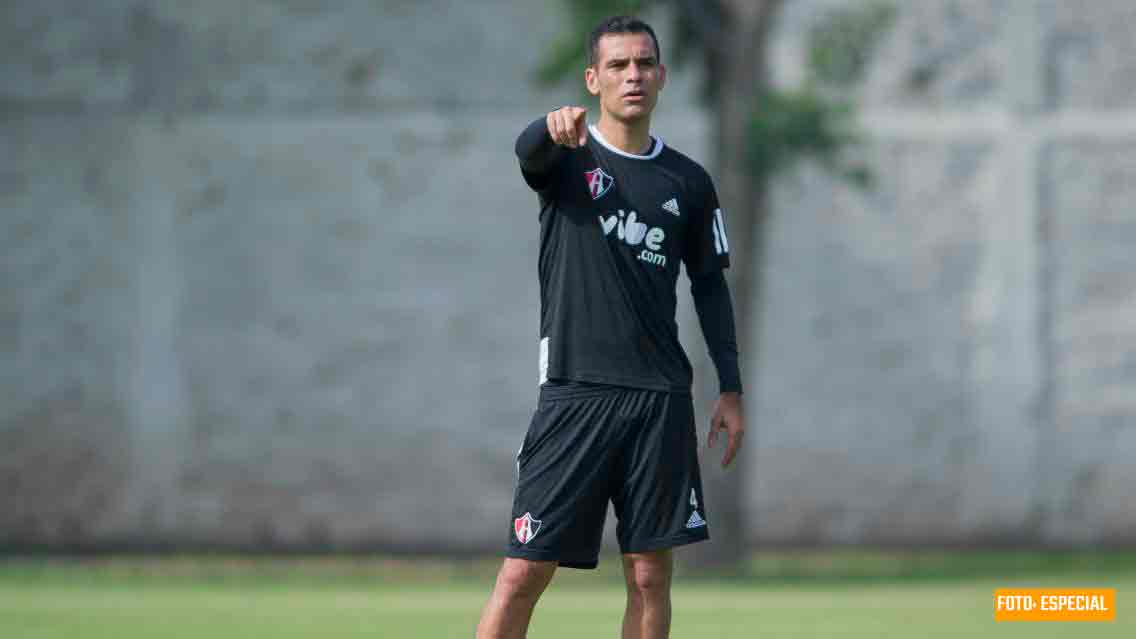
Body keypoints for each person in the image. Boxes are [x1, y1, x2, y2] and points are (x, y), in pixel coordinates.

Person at [475, 15, 745, 639]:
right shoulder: (567, 161)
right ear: (594, 79)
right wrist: (546, 127)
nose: (633, 76)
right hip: (576, 396)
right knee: (522, 573)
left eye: (645, 64)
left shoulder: (689, 183)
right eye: (619, 65)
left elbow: (710, 288)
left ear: (662, 77)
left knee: (650, 577)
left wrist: (729, 388)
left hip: (658, 402)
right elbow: (526, 153)